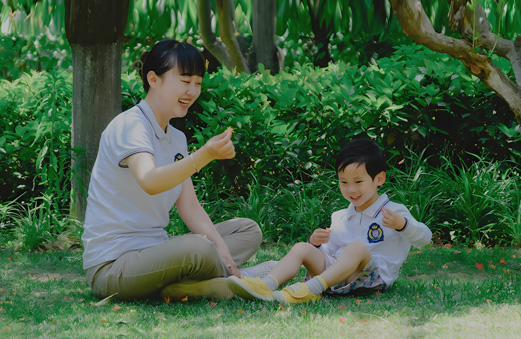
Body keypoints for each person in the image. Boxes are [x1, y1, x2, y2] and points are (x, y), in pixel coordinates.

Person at [82, 40, 272, 301]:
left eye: (198, 82)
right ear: (153, 79)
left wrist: (221, 248)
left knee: (247, 230)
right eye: (185, 81)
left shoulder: (176, 138)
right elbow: (149, 181)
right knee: (199, 247)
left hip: (157, 252)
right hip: (114, 267)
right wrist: (204, 155)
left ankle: (190, 285)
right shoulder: (130, 126)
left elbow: (190, 208)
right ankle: (244, 278)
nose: (192, 91)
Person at [227, 139, 432, 303]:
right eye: (344, 182)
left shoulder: (394, 212)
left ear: (379, 179)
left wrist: (403, 225)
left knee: (357, 248)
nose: (351, 189)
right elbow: (329, 253)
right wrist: (315, 244)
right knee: (301, 247)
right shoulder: (340, 216)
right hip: (337, 276)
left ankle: (310, 289)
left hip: (371, 279)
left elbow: (425, 238)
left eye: (358, 182)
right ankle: (266, 285)